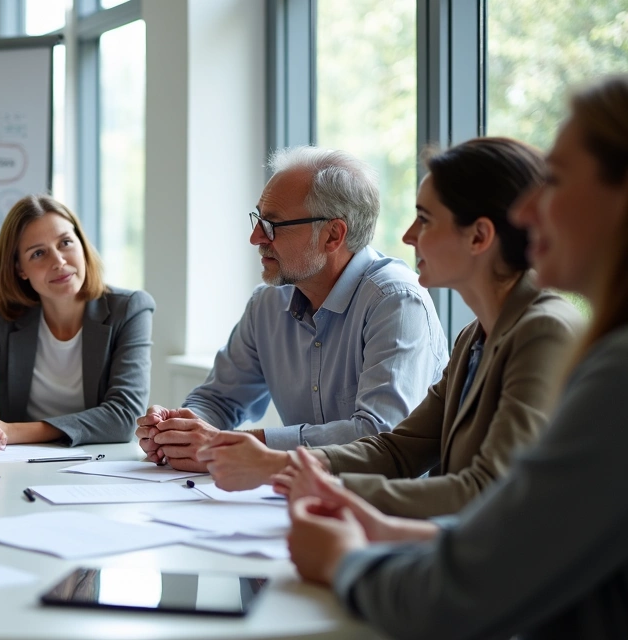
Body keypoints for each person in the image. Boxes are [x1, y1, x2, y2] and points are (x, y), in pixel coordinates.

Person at [285, 74, 628, 639]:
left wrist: (342, 556)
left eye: (557, 180)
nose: (530, 213)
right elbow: (520, 536)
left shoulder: (601, 362)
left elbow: (475, 571)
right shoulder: (479, 335)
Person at [205, 138, 584, 517]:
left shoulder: (543, 330)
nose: (408, 237)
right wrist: (277, 466)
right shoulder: (475, 336)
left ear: (479, 237)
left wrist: (313, 483)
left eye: (425, 219)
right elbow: (397, 450)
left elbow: (488, 492)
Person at [137, 147, 447, 472]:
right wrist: (177, 431)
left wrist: (239, 446)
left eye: (273, 224)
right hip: (299, 499)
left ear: (333, 235)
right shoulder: (268, 303)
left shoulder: (396, 300)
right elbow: (218, 400)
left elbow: (378, 435)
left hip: (390, 512)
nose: (255, 237)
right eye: (258, 218)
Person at [0, 195, 154, 453]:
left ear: (82, 245)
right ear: (21, 269)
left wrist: (11, 432)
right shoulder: (5, 318)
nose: (59, 261)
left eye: (65, 242)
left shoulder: (129, 309)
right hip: (22, 469)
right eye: (38, 253)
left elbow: (123, 418)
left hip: (102, 468)